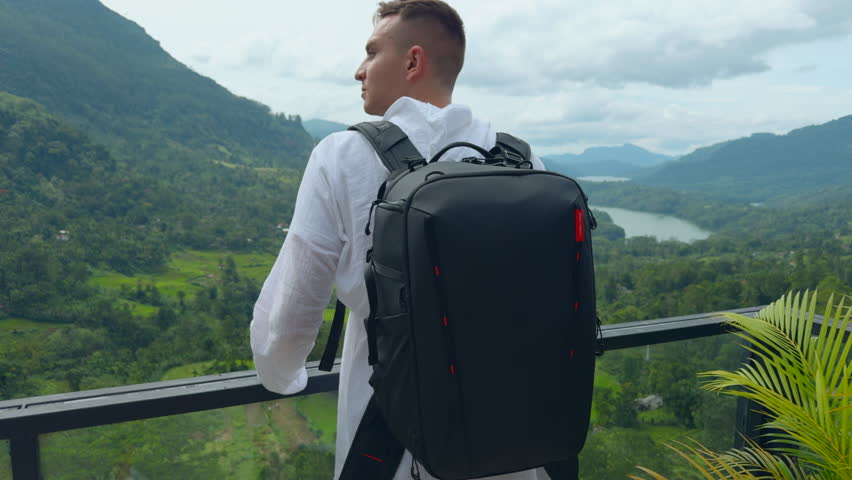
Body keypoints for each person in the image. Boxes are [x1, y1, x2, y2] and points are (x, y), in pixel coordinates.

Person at [250, 1, 547, 479]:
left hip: (390, 437)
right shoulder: (519, 160)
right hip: (510, 437)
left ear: (412, 62)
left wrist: (283, 377)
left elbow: (291, 311)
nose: (358, 70)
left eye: (371, 52)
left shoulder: (342, 154)